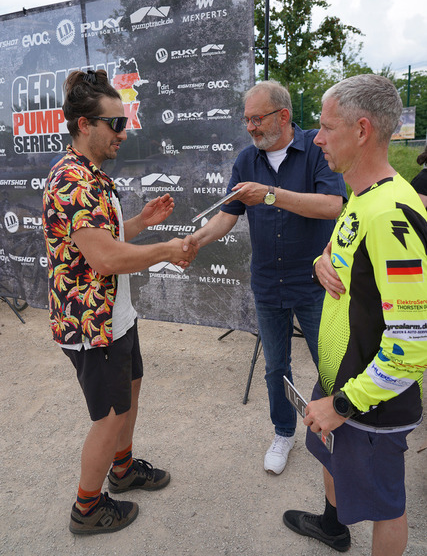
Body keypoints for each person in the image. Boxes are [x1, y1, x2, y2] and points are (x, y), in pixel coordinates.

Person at [42, 69, 198, 535]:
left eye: (124, 123)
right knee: (108, 418)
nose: (123, 134)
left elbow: (99, 238)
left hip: (115, 316)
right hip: (92, 326)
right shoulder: (72, 181)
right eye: (115, 124)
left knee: (129, 394)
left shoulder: (91, 175)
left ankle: (124, 469)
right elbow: (105, 258)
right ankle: (87, 509)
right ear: (84, 125)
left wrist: (141, 223)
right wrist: (167, 250)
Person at [283, 74, 427, 555]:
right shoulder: (362, 197)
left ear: (362, 130)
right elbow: (343, 255)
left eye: (326, 127)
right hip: (339, 379)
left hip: (369, 401)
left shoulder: (391, 213)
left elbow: (412, 345)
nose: (316, 139)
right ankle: (333, 526)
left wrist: (344, 405)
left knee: (387, 506)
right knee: (328, 457)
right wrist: (321, 261)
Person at [193, 80, 347, 474]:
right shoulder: (247, 160)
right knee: (275, 367)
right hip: (267, 283)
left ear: (284, 115)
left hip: (316, 284)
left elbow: (333, 205)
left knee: (331, 365)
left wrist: (270, 194)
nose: (250, 127)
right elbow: (227, 215)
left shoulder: (316, 149)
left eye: (257, 119)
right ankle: (284, 432)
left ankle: (341, 432)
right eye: (246, 119)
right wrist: (194, 241)